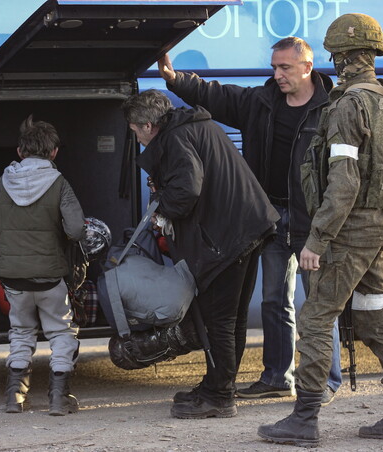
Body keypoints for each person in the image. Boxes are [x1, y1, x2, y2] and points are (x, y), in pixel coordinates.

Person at [257, 13, 383, 447]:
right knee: (375, 315)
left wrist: (317, 240)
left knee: (315, 319)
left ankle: (304, 420)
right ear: (372, 54)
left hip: (348, 232)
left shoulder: (347, 105)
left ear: (338, 58)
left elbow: (344, 179)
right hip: (381, 227)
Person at [158, 37, 342, 404]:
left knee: (319, 305)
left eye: (285, 68)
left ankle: (325, 381)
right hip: (271, 218)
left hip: (311, 222)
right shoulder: (262, 102)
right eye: (274, 68)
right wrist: (176, 79)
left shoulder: (332, 109)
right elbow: (219, 95)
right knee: (275, 301)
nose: (277, 75)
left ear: (307, 67)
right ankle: (277, 377)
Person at [121, 89, 279, 419]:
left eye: (135, 131)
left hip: (226, 239)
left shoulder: (177, 138)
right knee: (231, 318)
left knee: (218, 319)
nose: (136, 138)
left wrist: (161, 207)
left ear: (149, 125)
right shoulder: (198, 125)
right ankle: (220, 385)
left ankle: (219, 397)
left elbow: (187, 189)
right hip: (248, 228)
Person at [0, 115, 86, 416]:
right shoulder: (59, 183)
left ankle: (15, 397)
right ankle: (59, 397)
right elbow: (75, 230)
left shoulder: (3, 182)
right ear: (54, 152)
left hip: (12, 277)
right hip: (50, 276)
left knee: (20, 331)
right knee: (60, 332)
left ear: (20, 151)